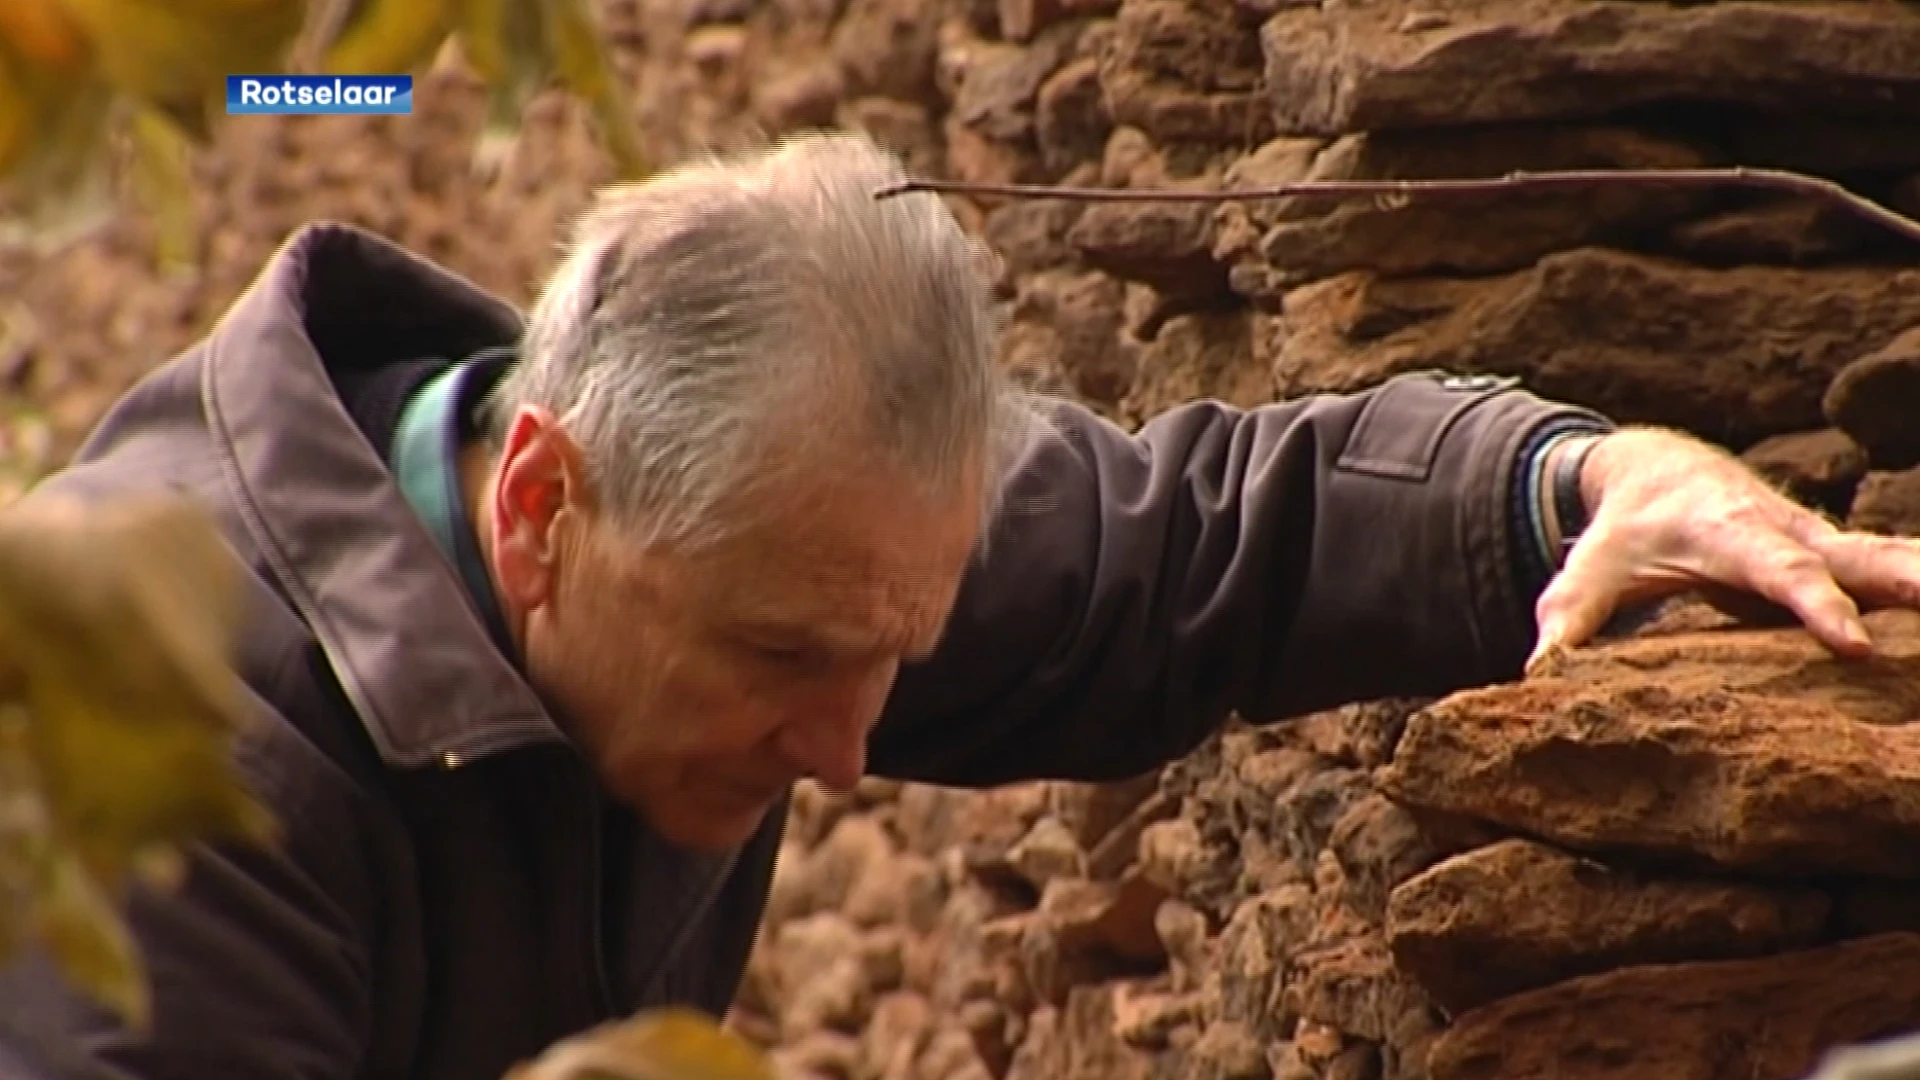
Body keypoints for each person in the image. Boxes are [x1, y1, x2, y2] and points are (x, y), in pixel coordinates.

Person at [1, 131, 1915, 1080]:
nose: (851, 753)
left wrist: (1588, 481)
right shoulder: (168, 779)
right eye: (789, 661)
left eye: (894, 659)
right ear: (539, 508)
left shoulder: (786, 537)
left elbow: (1197, 544)